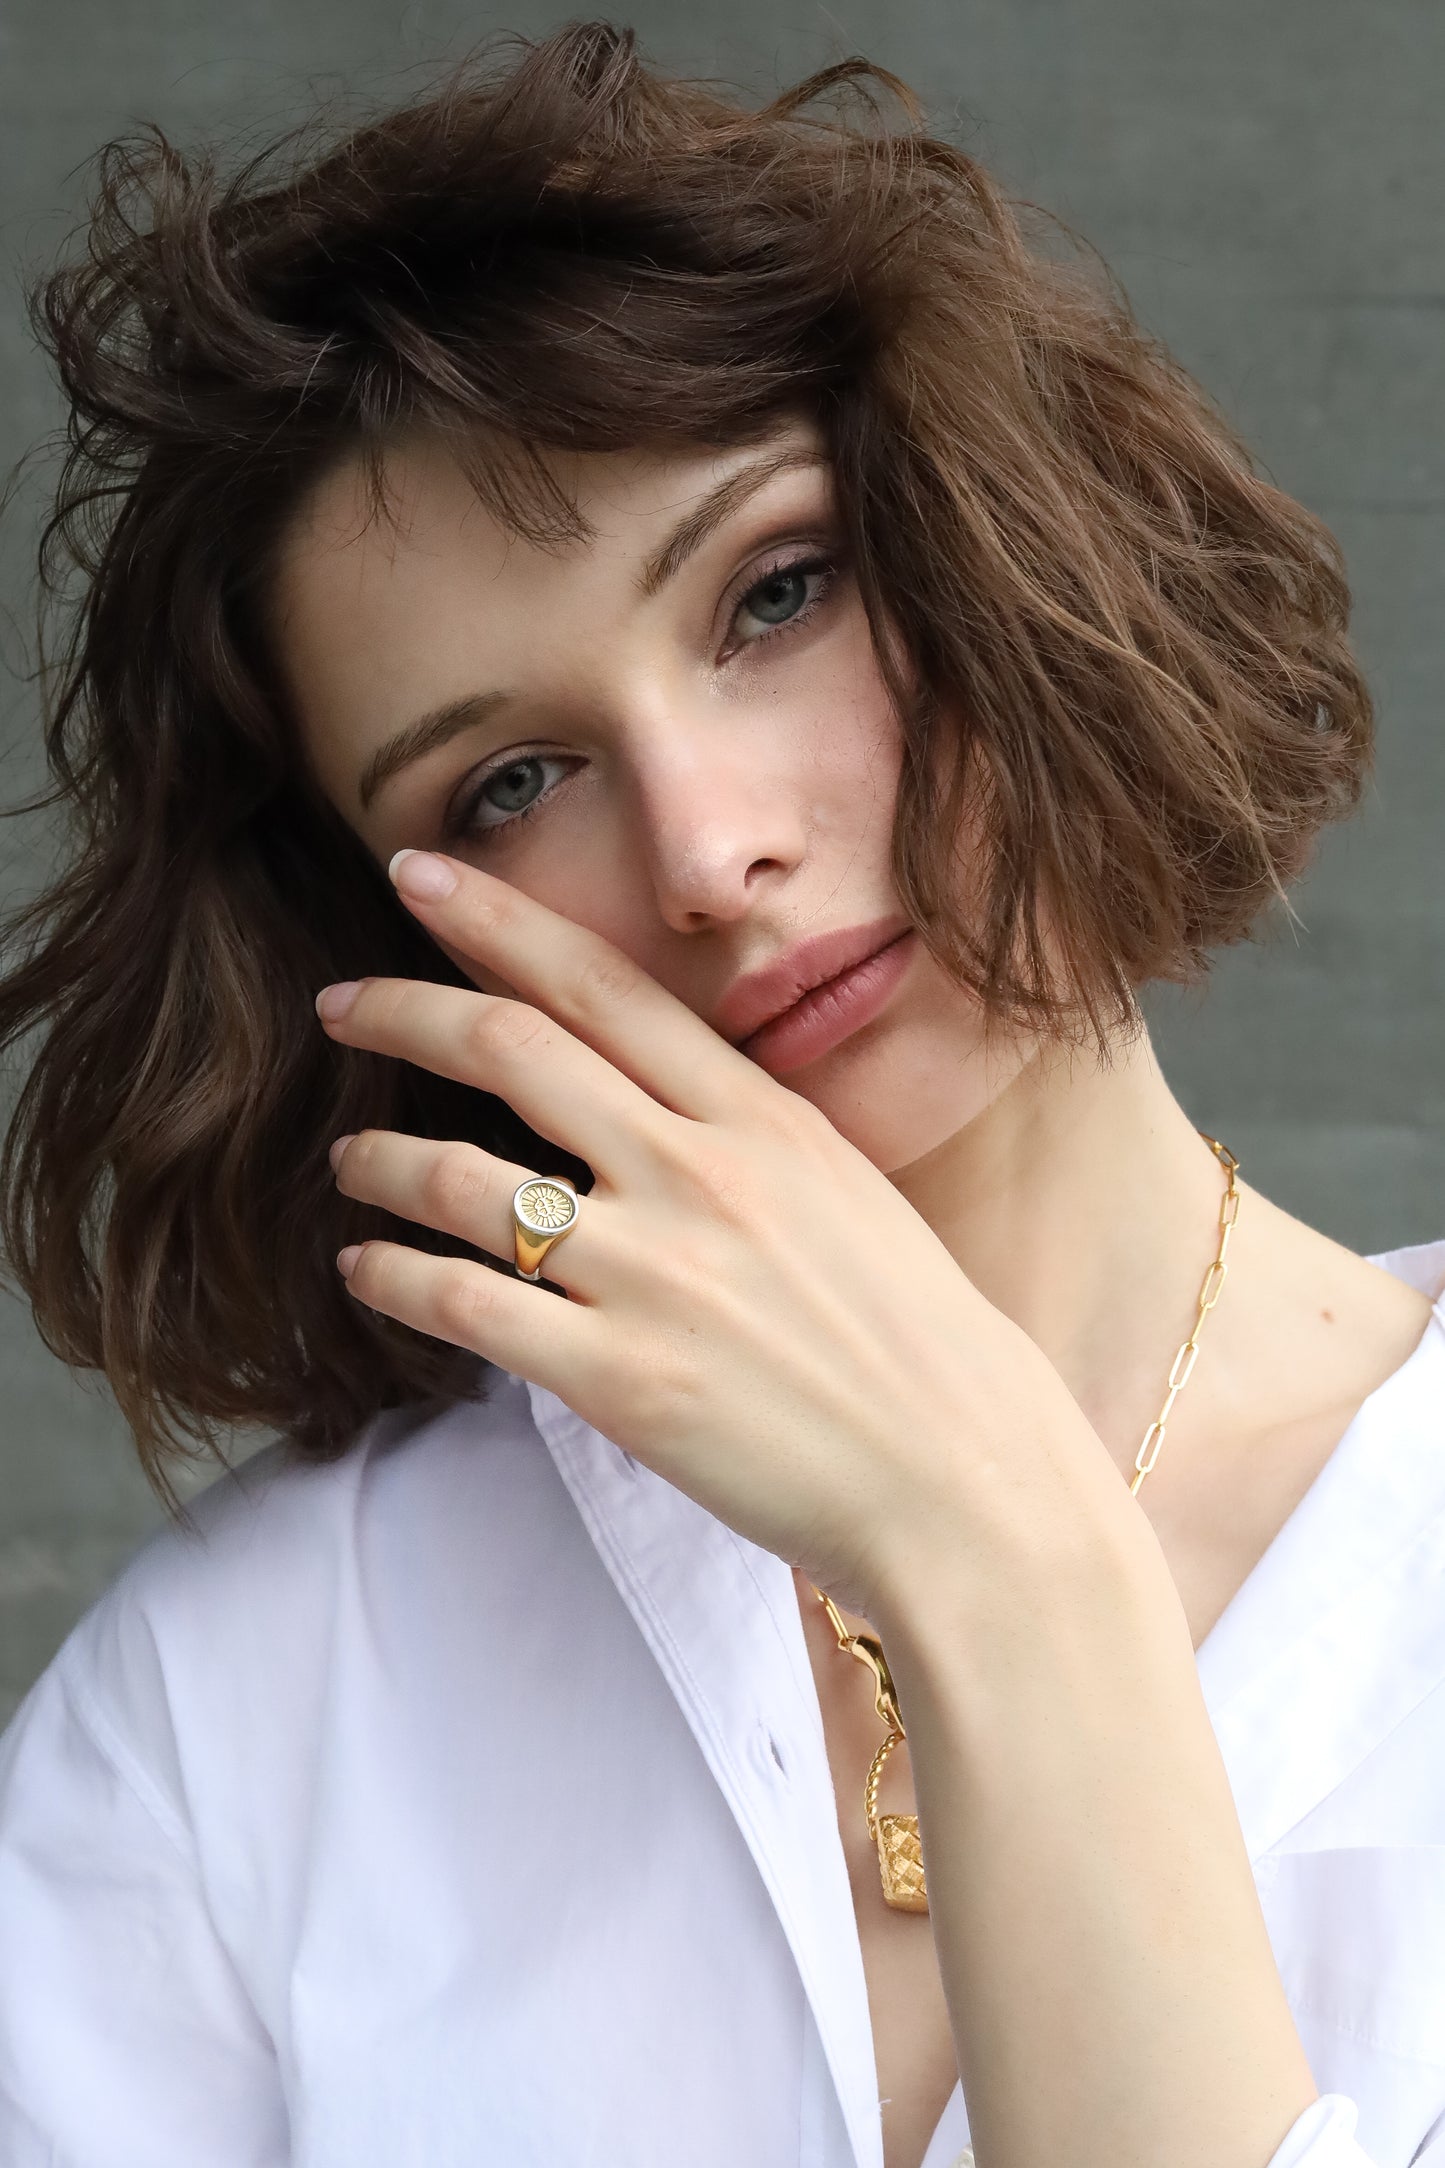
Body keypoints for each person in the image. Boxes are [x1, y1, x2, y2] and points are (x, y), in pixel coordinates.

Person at [0, 21, 1439, 2168]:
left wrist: (1010, 1567)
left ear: (1000, 535)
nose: (703, 848)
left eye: (775, 591)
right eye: (511, 783)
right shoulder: (241, 1720)